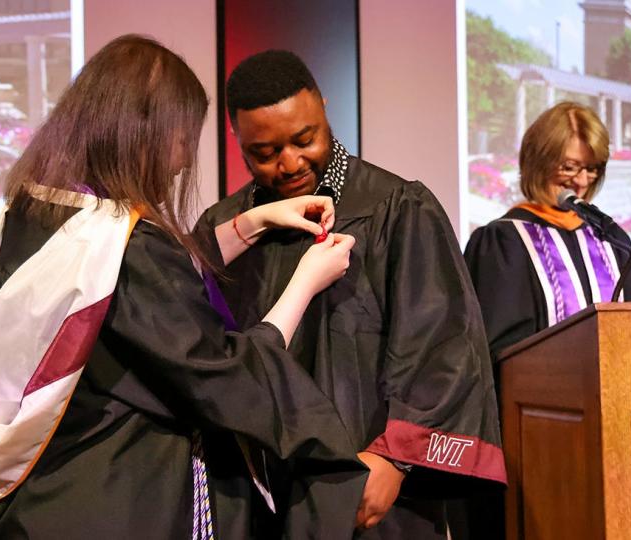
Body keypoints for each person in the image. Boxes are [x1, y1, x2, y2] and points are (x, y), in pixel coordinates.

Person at [0, 35, 367, 539]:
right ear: (144, 132)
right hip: (119, 495)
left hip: (39, 501)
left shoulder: (33, 213)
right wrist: (304, 283)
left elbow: (132, 281)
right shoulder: (129, 248)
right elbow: (222, 375)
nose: (184, 160)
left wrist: (250, 223)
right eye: (183, 137)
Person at [197, 50, 506, 539]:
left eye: (305, 138)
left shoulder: (398, 209)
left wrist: (396, 459)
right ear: (237, 141)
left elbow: (442, 346)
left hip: (372, 490)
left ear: (324, 107)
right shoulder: (224, 232)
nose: (290, 163)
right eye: (264, 152)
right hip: (257, 496)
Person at [464, 101, 631, 362]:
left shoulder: (611, 240)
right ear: (539, 162)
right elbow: (494, 354)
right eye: (570, 167)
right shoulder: (504, 242)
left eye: (592, 168)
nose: (582, 181)